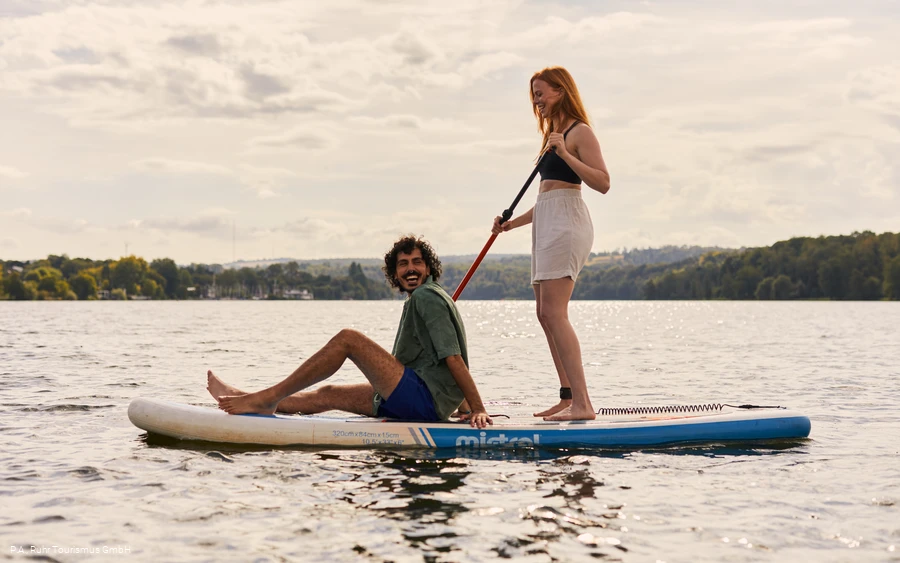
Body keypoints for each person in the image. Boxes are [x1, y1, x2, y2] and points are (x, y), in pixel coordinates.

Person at [211, 235, 493, 429]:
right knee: (329, 393)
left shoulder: (426, 297)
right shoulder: (422, 297)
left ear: (428, 268)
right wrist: (463, 406)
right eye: (403, 264)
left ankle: (267, 398)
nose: (410, 269)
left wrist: (478, 408)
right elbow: (440, 362)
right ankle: (247, 398)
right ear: (395, 273)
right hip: (419, 396)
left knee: (348, 339)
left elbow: (453, 358)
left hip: (423, 401)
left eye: (417, 262)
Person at [491, 66, 610, 421]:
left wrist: (566, 154)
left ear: (561, 91)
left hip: (567, 224)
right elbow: (546, 198)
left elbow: (603, 183)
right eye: (534, 95)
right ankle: (567, 397)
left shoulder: (579, 131)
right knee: (544, 314)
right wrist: (511, 224)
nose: (537, 101)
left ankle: (583, 404)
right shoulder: (552, 135)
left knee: (556, 313)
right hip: (547, 221)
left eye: (541, 93)